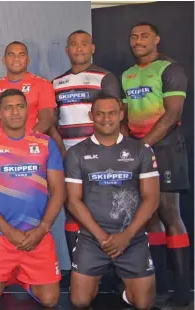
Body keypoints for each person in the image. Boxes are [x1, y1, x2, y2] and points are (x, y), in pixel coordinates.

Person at [0, 89, 65, 308]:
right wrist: (7, 230)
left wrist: (42, 229)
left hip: (37, 235)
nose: (15, 112)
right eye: (8, 107)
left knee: (50, 301)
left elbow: (58, 191)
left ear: (27, 110)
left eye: (20, 106)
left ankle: (20, 277)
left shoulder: (45, 143)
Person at [66, 94, 159, 310]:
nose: (106, 118)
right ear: (91, 116)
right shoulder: (76, 153)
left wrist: (126, 236)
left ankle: (125, 285)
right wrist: (103, 238)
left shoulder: (141, 150)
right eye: (99, 114)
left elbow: (152, 198)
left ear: (121, 115)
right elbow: (73, 201)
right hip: (92, 238)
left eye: (112, 113)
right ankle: (96, 280)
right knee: (79, 301)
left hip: (132, 237)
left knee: (144, 305)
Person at [122, 22, 190, 306]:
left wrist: (143, 144)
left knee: (169, 212)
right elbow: (125, 116)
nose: (138, 41)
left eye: (144, 36)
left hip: (165, 149)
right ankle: (160, 281)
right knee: (149, 216)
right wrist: (129, 143)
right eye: (134, 36)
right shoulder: (128, 74)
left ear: (156, 39)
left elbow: (172, 114)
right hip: (140, 148)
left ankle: (184, 286)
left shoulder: (169, 69)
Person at [53, 29, 122, 267]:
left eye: (84, 44)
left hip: (102, 157)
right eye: (74, 44)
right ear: (67, 50)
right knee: (72, 210)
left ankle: (113, 272)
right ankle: (77, 269)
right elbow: (54, 122)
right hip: (70, 157)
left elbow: (115, 118)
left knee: (105, 210)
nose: (79, 48)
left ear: (92, 48)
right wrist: (62, 150)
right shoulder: (57, 82)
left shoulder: (105, 77)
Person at [0, 41, 63, 254]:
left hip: (35, 155)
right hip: (2, 158)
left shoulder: (42, 84)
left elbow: (47, 118)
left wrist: (25, 143)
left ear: (28, 59)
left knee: (40, 203)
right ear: (4, 60)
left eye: (21, 55)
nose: (16, 59)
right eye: (11, 55)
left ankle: (38, 246)